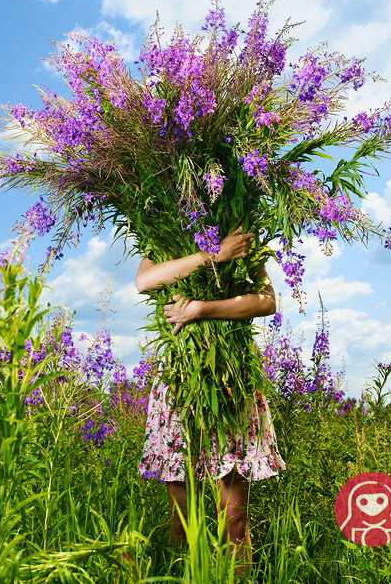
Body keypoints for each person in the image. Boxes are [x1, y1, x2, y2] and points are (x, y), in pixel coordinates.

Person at [136, 225, 287, 573]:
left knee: (234, 521)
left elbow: (266, 301)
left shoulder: (239, 224)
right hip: (179, 383)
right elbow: (145, 281)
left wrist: (202, 309)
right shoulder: (162, 231)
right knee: (182, 523)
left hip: (231, 380)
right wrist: (215, 256)